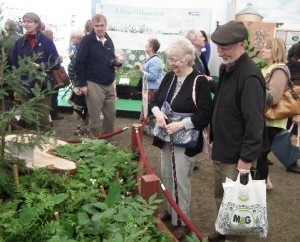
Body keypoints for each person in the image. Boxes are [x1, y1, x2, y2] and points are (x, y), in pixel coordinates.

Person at [207, 21, 266, 242]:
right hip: (223, 146)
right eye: (218, 47)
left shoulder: (250, 76)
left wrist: (246, 158)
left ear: (242, 45)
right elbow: (223, 101)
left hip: (236, 153)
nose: (221, 52)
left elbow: (255, 123)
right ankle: (222, 231)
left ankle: (235, 238)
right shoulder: (227, 68)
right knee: (221, 194)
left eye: (226, 47)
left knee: (237, 202)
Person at [149, 38, 213, 240]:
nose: (172, 63)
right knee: (166, 174)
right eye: (170, 59)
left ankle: (183, 220)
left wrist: (182, 124)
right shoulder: (169, 76)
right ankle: (171, 209)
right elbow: (155, 101)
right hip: (167, 136)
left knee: (181, 180)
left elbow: (205, 114)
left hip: (185, 139)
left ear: (187, 58)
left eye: (175, 59)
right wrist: (158, 113)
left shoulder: (199, 81)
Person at [75, 14, 123, 138]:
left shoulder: (108, 39)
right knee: (95, 116)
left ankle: (107, 140)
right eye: (97, 26)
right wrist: (83, 84)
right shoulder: (87, 40)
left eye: (102, 25)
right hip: (93, 83)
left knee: (110, 114)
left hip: (109, 82)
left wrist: (116, 63)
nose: (100, 28)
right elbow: (79, 63)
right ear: (92, 26)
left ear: (106, 25)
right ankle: (94, 141)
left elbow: (110, 58)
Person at [12, 12, 60, 132]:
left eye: (29, 21)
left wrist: (40, 66)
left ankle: (44, 148)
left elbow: (56, 63)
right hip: (24, 87)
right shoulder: (19, 43)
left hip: (43, 86)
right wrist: (16, 88)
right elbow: (15, 66)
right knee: (28, 120)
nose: (26, 24)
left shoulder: (47, 42)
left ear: (37, 24)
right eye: (24, 21)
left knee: (43, 121)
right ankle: (30, 149)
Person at [257, 38, 291, 189]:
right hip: (265, 117)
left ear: (276, 50)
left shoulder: (279, 69)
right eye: (263, 46)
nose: (262, 49)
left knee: (261, 152)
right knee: (261, 152)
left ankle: (263, 184)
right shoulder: (267, 68)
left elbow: (274, 97)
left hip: (272, 119)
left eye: (267, 47)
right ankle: (267, 181)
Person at [137, 38, 163, 135]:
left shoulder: (154, 60)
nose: (145, 46)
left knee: (149, 109)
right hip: (151, 88)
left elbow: (153, 76)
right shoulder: (153, 59)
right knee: (148, 109)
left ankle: (151, 129)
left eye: (147, 44)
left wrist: (142, 71)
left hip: (153, 89)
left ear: (151, 47)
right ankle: (149, 129)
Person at [43, 28, 64, 121]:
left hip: (43, 74)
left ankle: (48, 114)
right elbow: (56, 61)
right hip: (51, 74)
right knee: (54, 94)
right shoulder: (50, 45)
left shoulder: (41, 45)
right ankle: (54, 113)